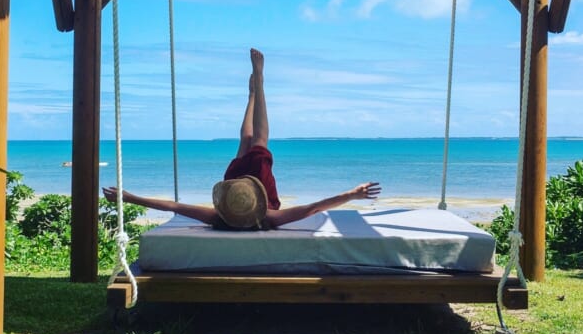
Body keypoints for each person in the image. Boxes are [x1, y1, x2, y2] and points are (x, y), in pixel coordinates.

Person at [103, 48, 381, 230]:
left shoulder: (220, 217)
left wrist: (129, 198)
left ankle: (253, 93)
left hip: (238, 186)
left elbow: (174, 206)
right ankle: (259, 84)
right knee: (252, 139)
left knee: (253, 137)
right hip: (239, 183)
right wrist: (351, 195)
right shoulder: (266, 217)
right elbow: (312, 208)